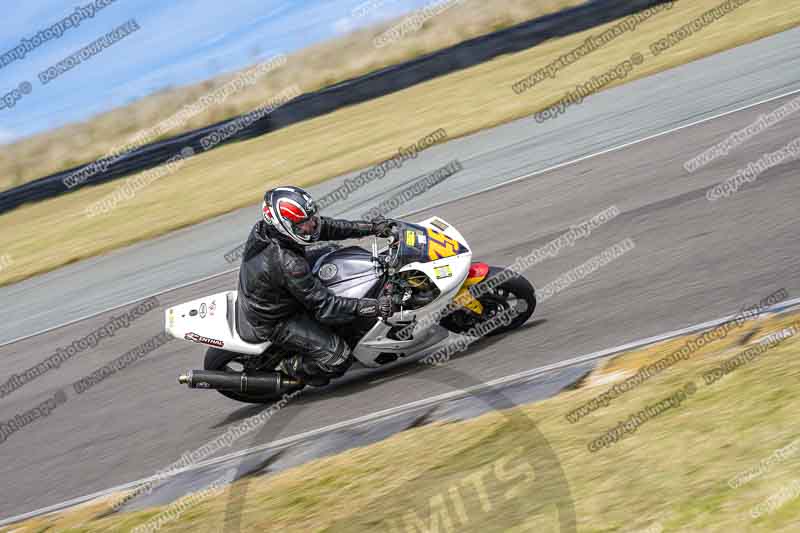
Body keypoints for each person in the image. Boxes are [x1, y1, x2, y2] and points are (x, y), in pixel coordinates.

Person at [236, 185, 395, 386]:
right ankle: (290, 368)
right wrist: (372, 306)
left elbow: (326, 228)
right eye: (304, 223)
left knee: (333, 251)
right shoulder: (289, 263)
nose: (312, 225)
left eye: (312, 217)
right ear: (284, 225)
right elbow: (326, 307)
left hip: (273, 289)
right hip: (277, 319)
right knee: (338, 358)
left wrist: (371, 228)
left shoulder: (269, 229)